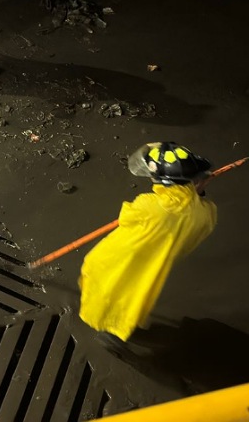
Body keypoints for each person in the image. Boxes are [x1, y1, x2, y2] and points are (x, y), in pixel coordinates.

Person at [79, 142, 218, 349]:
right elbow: (199, 222)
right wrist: (197, 194)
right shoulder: (206, 212)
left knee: (107, 288)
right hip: (156, 261)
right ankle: (120, 329)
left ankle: (113, 333)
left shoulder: (148, 204)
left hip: (122, 256)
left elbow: (127, 217)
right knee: (136, 295)